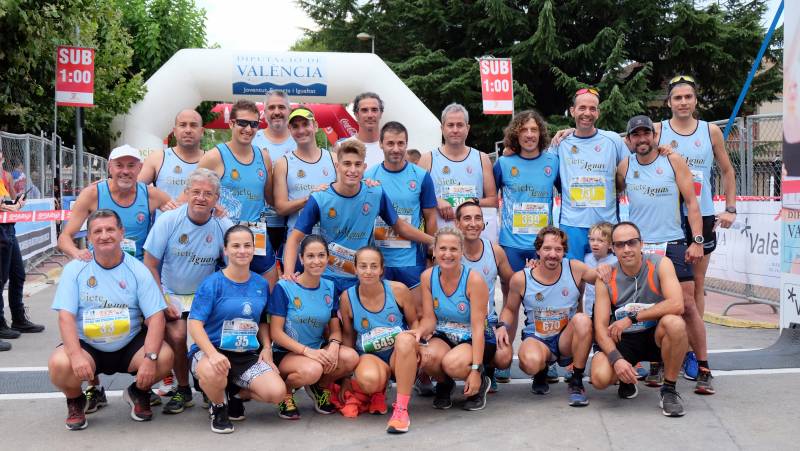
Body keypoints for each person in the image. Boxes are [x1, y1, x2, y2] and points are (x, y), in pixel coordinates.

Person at [48, 209, 173, 430]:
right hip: (89, 346)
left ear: (121, 233)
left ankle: (138, 391)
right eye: (97, 231)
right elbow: (65, 317)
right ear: (89, 237)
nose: (104, 235)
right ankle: (76, 399)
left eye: (110, 229)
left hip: (129, 345)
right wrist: (76, 356)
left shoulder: (138, 270)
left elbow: (155, 318)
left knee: (164, 357)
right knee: (60, 364)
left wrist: (150, 358)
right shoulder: (75, 269)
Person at [655, 75, 737, 388]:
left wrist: (729, 208)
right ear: (669, 103)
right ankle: (661, 352)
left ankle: (691, 352)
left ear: (696, 100)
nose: (684, 102)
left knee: (696, 286)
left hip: (699, 216)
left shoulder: (710, 130)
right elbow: (627, 149)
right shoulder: (659, 129)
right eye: (678, 98)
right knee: (664, 286)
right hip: (667, 215)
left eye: (688, 97)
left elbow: (727, 170)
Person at [617, 114, 707, 393]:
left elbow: (692, 203)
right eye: (636, 135)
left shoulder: (672, 160)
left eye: (647, 134)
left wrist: (697, 240)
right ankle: (657, 363)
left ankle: (703, 365)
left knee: (688, 305)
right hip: (640, 246)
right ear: (629, 140)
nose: (642, 139)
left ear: (655, 137)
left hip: (673, 242)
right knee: (648, 306)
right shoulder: (625, 164)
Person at [283, 139, 434, 297]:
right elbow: (294, 238)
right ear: (337, 166)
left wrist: (433, 241)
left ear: (364, 167)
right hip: (326, 277)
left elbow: (399, 226)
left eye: (357, 164)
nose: (352, 170)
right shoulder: (320, 197)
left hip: (360, 278)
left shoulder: (375, 193)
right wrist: (287, 274)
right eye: (347, 164)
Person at [142, 168, 233, 414]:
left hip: (205, 295)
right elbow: (149, 263)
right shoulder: (169, 220)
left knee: (215, 333)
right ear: (186, 193)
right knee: (180, 336)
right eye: (196, 192)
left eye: (208, 194)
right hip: (172, 292)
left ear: (216, 199)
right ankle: (183, 389)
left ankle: (209, 384)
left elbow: (235, 263)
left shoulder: (224, 224)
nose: (201, 198)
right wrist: (161, 301)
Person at [188, 225, 286, 433]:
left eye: (247, 245)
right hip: (211, 351)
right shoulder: (212, 284)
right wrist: (212, 355)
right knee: (213, 372)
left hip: (245, 354)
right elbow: (194, 324)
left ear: (253, 249)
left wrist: (267, 347)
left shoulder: (260, 284)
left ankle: (234, 393)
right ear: (225, 250)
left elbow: (262, 321)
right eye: (236, 246)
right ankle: (218, 406)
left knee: (277, 393)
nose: (242, 250)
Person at [589, 222, 689, 417]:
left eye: (631, 243)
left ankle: (669, 389)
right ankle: (626, 378)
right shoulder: (605, 277)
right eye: (620, 245)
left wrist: (632, 318)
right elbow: (600, 329)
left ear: (641, 244)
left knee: (675, 323)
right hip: (623, 339)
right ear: (612, 248)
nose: (626, 249)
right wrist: (616, 360)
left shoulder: (661, 264)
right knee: (599, 378)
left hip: (655, 334)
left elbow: (677, 304)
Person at [495, 226, 603, 406]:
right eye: (547, 249)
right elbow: (509, 309)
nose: (552, 254)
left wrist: (607, 267)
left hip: (566, 338)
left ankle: (576, 381)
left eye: (558, 249)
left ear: (564, 252)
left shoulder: (575, 268)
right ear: (537, 250)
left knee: (583, 320)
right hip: (538, 337)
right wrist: (502, 327)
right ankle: (541, 370)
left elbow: (603, 280)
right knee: (530, 363)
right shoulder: (521, 278)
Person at [339, 246, 433, 432]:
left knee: (405, 340)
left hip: (399, 355)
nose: (368, 271)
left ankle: (401, 409)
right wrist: (346, 378)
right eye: (363, 266)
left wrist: (419, 346)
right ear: (355, 269)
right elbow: (349, 336)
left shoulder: (398, 290)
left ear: (382, 269)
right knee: (369, 379)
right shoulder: (347, 297)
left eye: (374, 266)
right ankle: (376, 392)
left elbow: (414, 322)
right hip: (370, 356)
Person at [268, 235, 359, 419]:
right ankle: (285, 393)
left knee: (350, 357)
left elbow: (334, 328)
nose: (316, 261)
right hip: (286, 353)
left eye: (321, 255)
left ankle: (319, 388)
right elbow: (275, 333)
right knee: (312, 370)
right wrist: (306, 351)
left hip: (317, 350)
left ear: (328, 258)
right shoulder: (284, 287)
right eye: (310, 256)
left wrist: (333, 345)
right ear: (301, 259)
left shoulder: (330, 287)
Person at [198, 99, 278, 288]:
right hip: (225, 232)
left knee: (270, 283)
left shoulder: (263, 156)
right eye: (242, 123)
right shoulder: (214, 156)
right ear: (231, 123)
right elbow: (193, 193)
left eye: (254, 124)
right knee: (225, 287)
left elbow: (271, 198)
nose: (248, 129)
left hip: (255, 232)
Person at [364, 121, 437, 312]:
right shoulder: (368, 176)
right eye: (390, 143)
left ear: (406, 144)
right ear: (380, 144)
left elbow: (430, 217)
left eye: (400, 143)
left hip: (411, 261)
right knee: (383, 314)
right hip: (379, 260)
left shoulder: (421, 176)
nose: (396, 149)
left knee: (417, 313)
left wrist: (431, 252)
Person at [58, 144, 175, 262]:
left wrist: (172, 210)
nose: (125, 171)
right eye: (119, 165)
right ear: (110, 167)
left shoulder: (152, 195)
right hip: (100, 269)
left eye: (131, 166)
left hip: (135, 270)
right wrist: (77, 253)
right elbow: (64, 237)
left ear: (140, 168)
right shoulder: (92, 194)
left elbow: (183, 218)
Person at [418, 227, 493, 411]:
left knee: (451, 363)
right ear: (434, 251)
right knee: (425, 356)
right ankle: (446, 384)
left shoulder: (474, 280)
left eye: (453, 249)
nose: (447, 254)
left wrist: (475, 369)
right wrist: (418, 334)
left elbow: (477, 328)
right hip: (445, 333)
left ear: (462, 252)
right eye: (442, 248)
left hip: (473, 337)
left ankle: (480, 380)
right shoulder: (427, 277)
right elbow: (429, 319)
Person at [553, 87, 629, 260]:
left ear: (598, 113)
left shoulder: (613, 140)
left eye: (592, 109)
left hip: (606, 224)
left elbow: (635, 168)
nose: (587, 113)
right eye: (582, 108)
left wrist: (661, 150)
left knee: (608, 278)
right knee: (574, 278)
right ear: (572, 111)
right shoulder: (560, 142)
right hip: (572, 224)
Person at [454, 200, 514, 391]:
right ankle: (445, 382)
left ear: (484, 223)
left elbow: (513, 285)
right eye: (467, 218)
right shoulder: (448, 252)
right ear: (457, 223)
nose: (473, 223)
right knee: (447, 360)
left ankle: (487, 370)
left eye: (478, 218)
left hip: (487, 323)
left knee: (504, 356)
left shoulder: (495, 251)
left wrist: (503, 323)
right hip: (456, 323)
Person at [494, 109, 560, 271]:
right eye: (524, 130)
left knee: (541, 291)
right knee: (511, 290)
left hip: (542, 244)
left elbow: (568, 194)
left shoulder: (553, 162)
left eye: (534, 129)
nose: (529, 134)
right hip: (511, 244)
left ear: (540, 133)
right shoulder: (503, 163)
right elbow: (489, 198)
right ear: (516, 134)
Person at [272, 106, 336, 262]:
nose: (301, 130)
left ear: (315, 126)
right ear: (290, 130)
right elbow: (280, 208)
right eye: (295, 126)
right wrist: (309, 200)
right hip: (298, 245)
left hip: (330, 243)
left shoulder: (334, 159)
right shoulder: (283, 163)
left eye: (305, 124)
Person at [418, 103, 498, 227]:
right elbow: (415, 197)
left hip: (472, 237)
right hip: (440, 239)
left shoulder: (482, 158)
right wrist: (435, 201)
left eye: (460, 125)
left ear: (468, 128)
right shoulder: (427, 159)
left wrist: (474, 201)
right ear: (442, 128)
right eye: (450, 125)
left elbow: (493, 201)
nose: (455, 130)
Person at [0, 149, 44, 350]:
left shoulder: (4, 176)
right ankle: (0, 323)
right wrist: (11, 207)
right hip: (2, 229)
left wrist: (15, 204)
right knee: (0, 279)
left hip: (9, 228)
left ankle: (18, 317)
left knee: (17, 274)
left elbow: (7, 201)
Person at [251, 90, 298, 255]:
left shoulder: (300, 139)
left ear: (289, 111)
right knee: (261, 271)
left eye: (281, 107)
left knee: (289, 273)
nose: (276, 112)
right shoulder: (252, 139)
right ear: (264, 113)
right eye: (271, 107)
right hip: (257, 222)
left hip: (292, 222)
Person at [138, 109, 205, 201]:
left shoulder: (212, 159)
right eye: (182, 125)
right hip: (163, 215)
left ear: (202, 131)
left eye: (193, 125)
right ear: (174, 131)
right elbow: (135, 191)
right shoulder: (158, 158)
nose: (188, 130)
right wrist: (160, 201)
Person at [336, 92, 385, 168]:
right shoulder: (342, 147)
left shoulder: (393, 147)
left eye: (374, 110)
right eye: (364, 110)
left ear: (381, 113)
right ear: (356, 114)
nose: (370, 115)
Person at [583, 222, 617, 318]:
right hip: (588, 308)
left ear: (610, 245)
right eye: (592, 240)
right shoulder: (586, 258)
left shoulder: (615, 261)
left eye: (601, 241)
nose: (595, 244)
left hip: (608, 309)